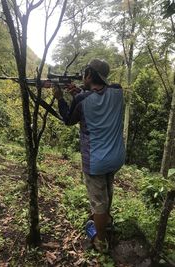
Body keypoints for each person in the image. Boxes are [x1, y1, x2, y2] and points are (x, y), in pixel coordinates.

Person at [54, 58, 125, 253]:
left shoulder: (81, 100)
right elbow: (99, 99)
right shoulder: (118, 92)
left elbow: (68, 119)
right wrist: (79, 92)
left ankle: (101, 241)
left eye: (85, 73)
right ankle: (106, 222)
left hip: (96, 160)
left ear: (88, 75)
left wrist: (60, 97)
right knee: (107, 191)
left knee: (98, 202)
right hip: (116, 156)